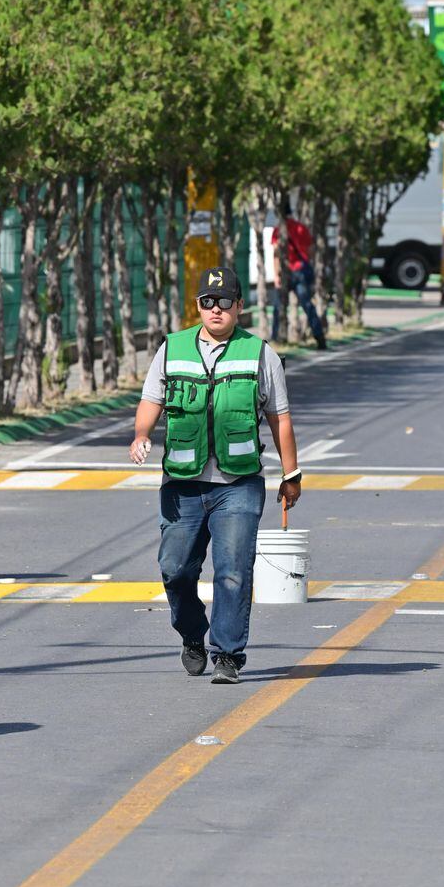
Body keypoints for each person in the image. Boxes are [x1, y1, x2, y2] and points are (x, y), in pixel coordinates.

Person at [130, 266, 302, 684]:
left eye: (225, 301)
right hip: (182, 484)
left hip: (239, 484)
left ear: (240, 306)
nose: (216, 309)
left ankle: (227, 653)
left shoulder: (261, 353)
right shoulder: (171, 349)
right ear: (198, 306)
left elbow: (279, 417)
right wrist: (140, 435)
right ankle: (192, 634)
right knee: (175, 570)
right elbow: (151, 399)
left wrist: (291, 473)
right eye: (208, 301)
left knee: (233, 570)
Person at [272, 204, 326, 349]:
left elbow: (276, 254)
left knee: (278, 307)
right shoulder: (301, 228)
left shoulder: (278, 230)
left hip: (285, 273)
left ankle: (277, 337)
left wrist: (276, 275)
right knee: (307, 305)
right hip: (300, 271)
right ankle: (319, 337)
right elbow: (311, 250)